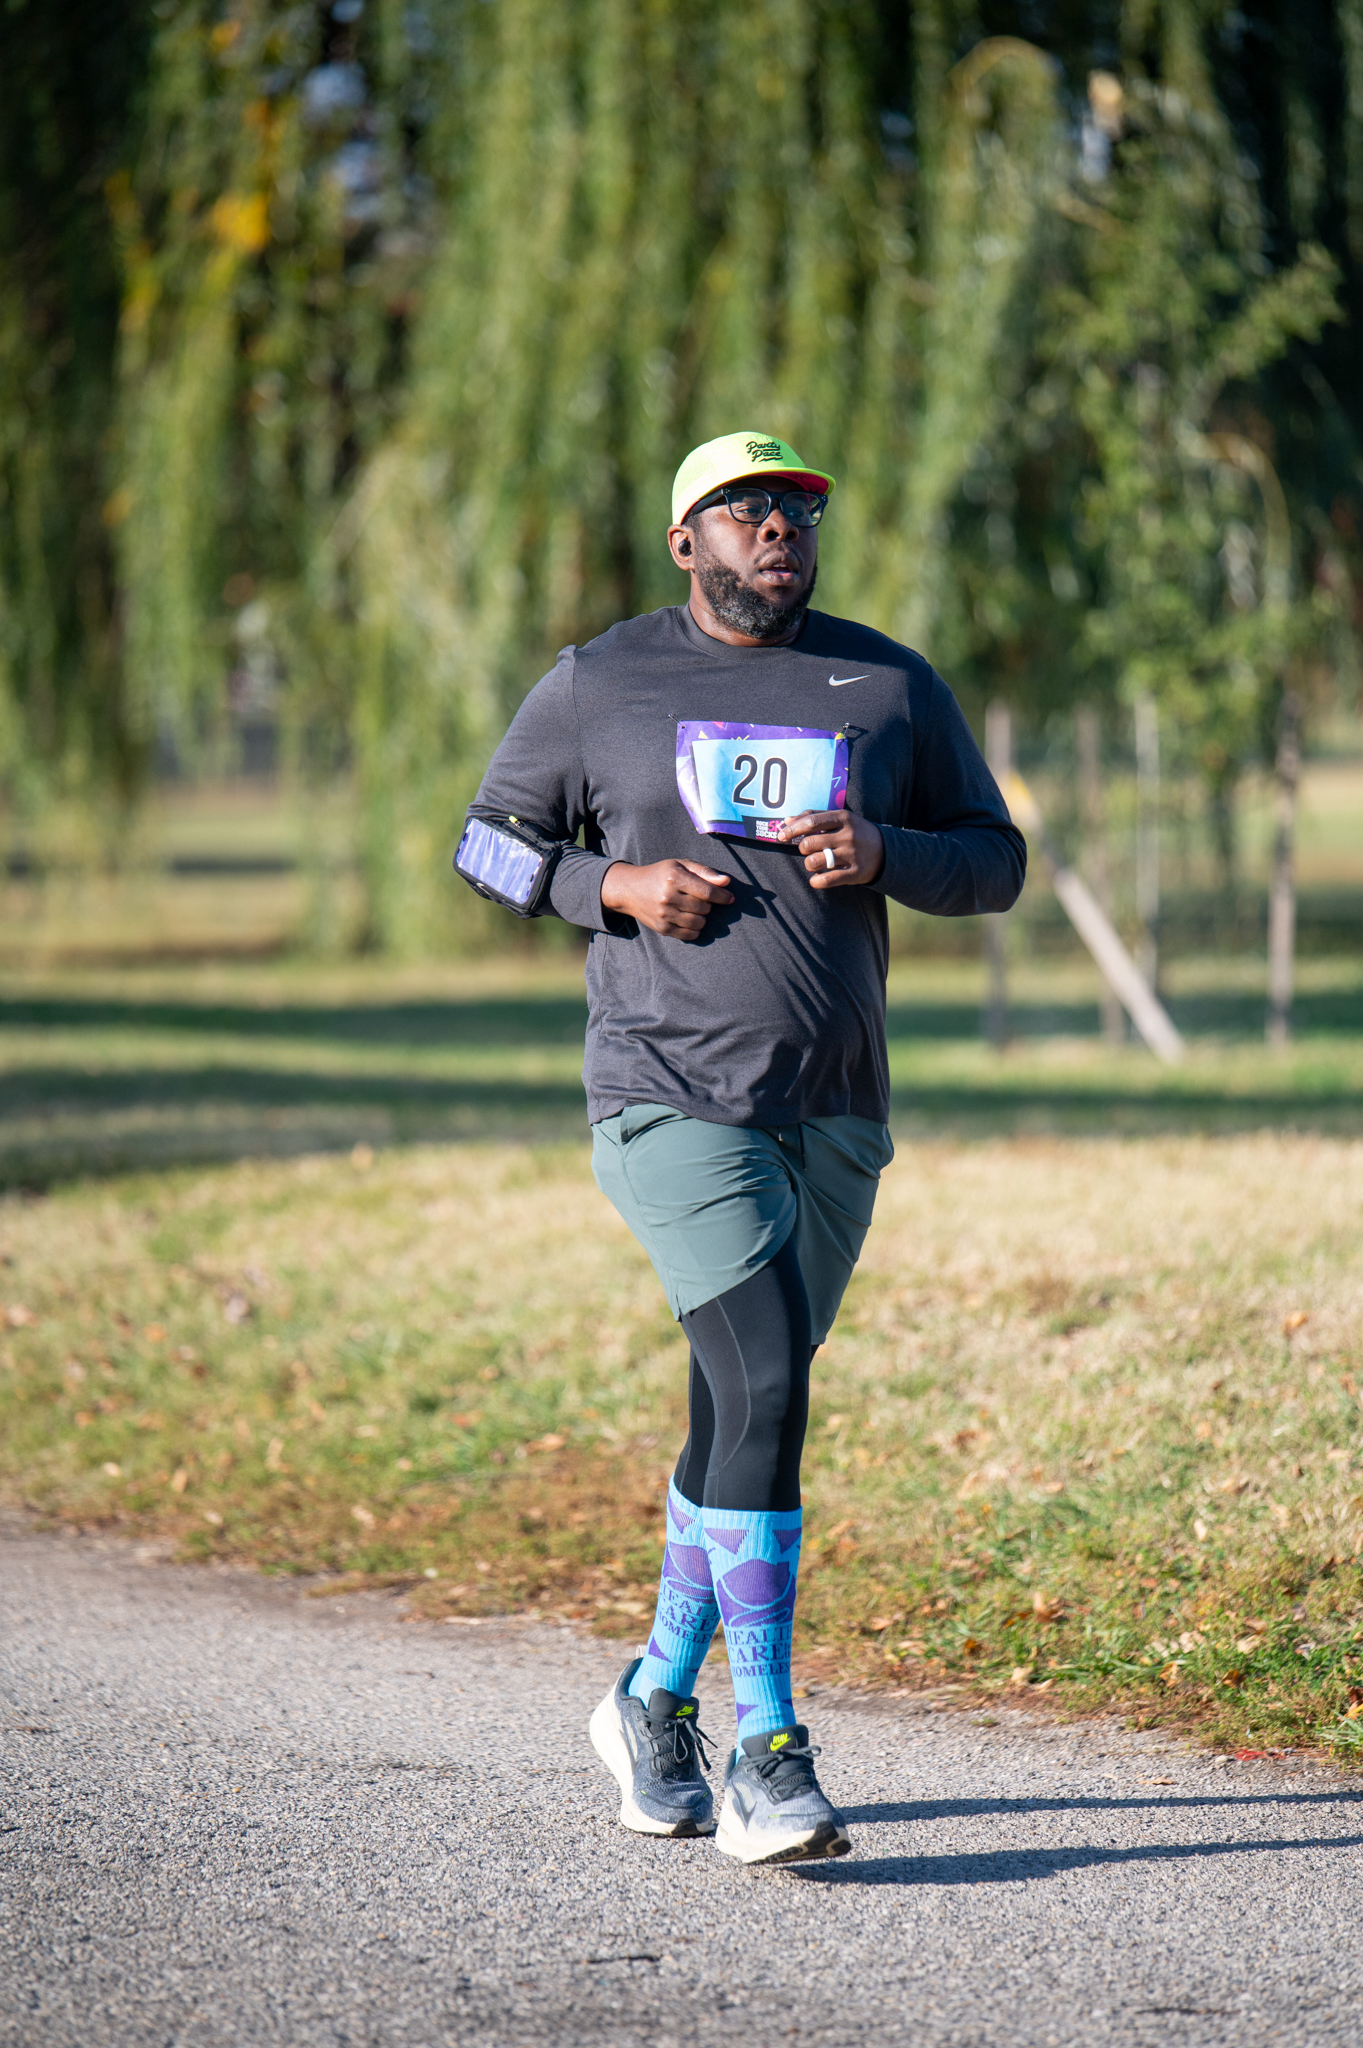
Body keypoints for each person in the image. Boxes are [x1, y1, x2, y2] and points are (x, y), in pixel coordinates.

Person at [460, 430, 1025, 1864]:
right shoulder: (601, 682)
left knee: (741, 1410)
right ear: (686, 543)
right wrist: (617, 885)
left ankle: (651, 1699)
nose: (779, 527)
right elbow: (485, 845)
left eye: (797, 509)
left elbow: (997, 857)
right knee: (768, 1378)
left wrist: (886, 853)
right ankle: (769, 1748)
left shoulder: (887, 680)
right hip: (666, 1094)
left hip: (835, 1106)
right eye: (746, 509)